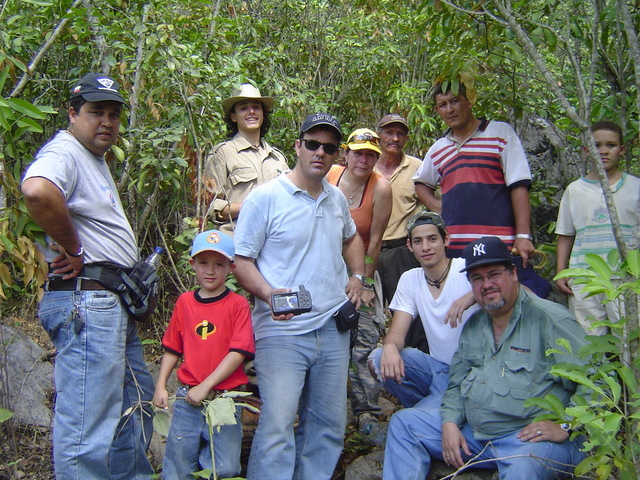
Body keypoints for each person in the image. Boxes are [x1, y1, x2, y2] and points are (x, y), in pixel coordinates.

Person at [21, 72, 155, 479]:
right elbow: (38, 191)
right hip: (87, 303)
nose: (107, 122)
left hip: (111, 303)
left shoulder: (92, 159)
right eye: (96, 112)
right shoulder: (64, 152)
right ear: (72, 113)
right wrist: (75, 250)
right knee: (86, 430)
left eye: (114, 114)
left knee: (138, 402)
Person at [382, 236, 588, 480]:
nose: (486, 284)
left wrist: (566, 425)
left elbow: (597, 379)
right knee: (405, 425)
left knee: (523, 468)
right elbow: (457, 382)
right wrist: (449, 422)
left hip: (528, 440)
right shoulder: (476, 325)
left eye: (493, 274)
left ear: (513, 273)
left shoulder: (550, 320)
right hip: (477, 435)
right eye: (477, 278)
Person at [233, 113, 366, 480]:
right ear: (297, 146)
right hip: (282, 333)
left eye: (329, 147)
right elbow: (241, 262)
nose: (320, 152)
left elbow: (352, 237)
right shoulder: (264, 199)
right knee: (277, 426)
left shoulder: (336, 198)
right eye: (312, 144)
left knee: (326, 425)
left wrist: (358, 276)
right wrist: (268, 293)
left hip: (333, 328)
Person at [153, 230, 255, 479]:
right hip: (187, 396)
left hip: (225, 398)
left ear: (231, 267)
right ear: (192, 266)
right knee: (178, 463)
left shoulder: (237, 304)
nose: (210, 271)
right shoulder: (185, 302)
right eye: (203, 263)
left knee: (225, 468)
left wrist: (206, 385)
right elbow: (172, 348)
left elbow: (238, 352)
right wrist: (161, 386)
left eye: (219, 264)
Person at [413, 82, 535, 264]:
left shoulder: (500, 133)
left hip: (500, 245)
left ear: (469, 101)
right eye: (443, 105)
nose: (449, 110)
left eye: (455, 101)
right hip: (456, 249)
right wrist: (439, 206)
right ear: (437, 110)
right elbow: (421, 182)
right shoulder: (439, 148)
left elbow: (518, 184)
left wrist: (523, 235)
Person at [368, 211, 478, 412]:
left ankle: (433, 414)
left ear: (446, 239)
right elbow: (397, 331)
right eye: (418, 241)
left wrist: (474, 295)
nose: (425, 247)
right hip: (438, 368)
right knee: (378, 358)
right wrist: (390, 346)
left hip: (475, 371)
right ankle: (426, 411)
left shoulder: (468, 269)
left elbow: (512, 290)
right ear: (409, 246)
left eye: (432, 239)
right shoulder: (410, 279)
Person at [327, 128, 392, 439]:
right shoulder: (331, 174)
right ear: (346, 153)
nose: (363, 159)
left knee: (363, 338)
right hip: (326, 271)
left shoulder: (381, 188)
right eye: (358, 152)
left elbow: (376, 241)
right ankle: (327, 406)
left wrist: (364, 282)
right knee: (325, 339)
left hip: (361, 270)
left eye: (370, 154)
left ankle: (366, 409)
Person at [556, 120, 640, 334]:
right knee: (588, 338)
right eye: (596, 145)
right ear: (586, 151)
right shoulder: (574, 190)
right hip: (584, 277)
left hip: (627, 277)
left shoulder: (636, 187)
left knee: (630, 339)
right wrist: (561, 271)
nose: (603, 151)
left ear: (622, 150)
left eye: (610, 145)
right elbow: (566, 234)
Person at [204, 83, 288, 235]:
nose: (251, 112)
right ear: (233, 116)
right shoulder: (222, 154)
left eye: (256, 107)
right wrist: (253, 206)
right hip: (236, 243)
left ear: (263, 113)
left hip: (276, 243)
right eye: (243, 108)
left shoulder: (278, 158)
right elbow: (210, 208)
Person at [375, 113, 427, 351]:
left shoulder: (418, 168)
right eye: (389, 132)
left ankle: (415, 365)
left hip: (402, 251)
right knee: (366, 312)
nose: (394, 138)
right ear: (379, 136)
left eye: (400, 133)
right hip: (368, 252)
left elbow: (434, 203)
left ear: (406, 138)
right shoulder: (364, 164)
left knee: (410, 312)